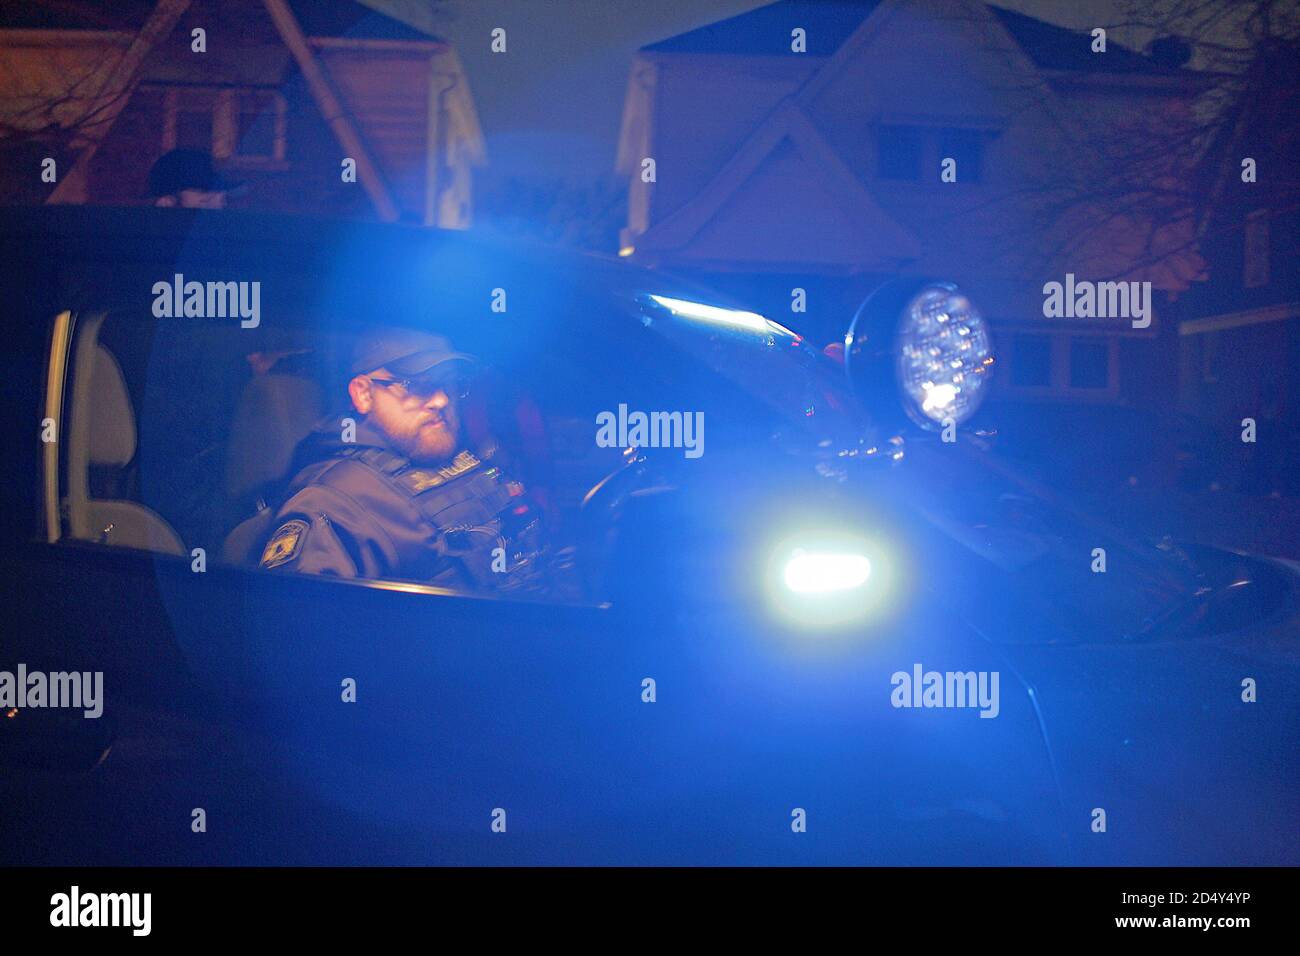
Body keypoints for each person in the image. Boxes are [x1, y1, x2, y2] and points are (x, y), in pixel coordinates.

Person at [253, 327, 552, 593]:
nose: (441, 400)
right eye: (415, 385)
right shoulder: (332, 504)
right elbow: (301, 637)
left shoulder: (466, 460)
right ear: (363, 394)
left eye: (449, 383)